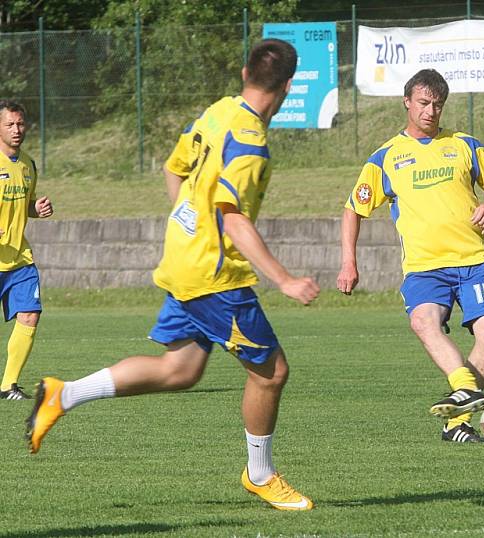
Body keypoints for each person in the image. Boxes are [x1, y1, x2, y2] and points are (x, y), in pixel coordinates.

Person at [25, 39, 320, 510]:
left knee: (179, 369)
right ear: (287, 85)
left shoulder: (216, 112)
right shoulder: (250, 145)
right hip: (215, 277)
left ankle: (64, 394)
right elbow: (234, 218)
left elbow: (173, 167)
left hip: (183, 260)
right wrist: (284, 279)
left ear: (245, 71)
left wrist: (186, 221)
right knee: (271, 373)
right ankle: (261, 474)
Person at [337, 69, 484, 443]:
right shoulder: (386, 157)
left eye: (437, 104)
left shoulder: (465, 145)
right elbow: (354, 208)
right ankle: (465, 389)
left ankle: (456, 420)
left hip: (473, 261)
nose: (431, 111)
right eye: (423, 103)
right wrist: (349, 262)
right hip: (424, 267)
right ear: (407, 102)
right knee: (423, 322)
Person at [0, 100, 53, 401]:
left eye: (20, 124)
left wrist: (37, 208)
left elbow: (24, 205)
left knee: (30, 315)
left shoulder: (28, 164)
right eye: (10, 124)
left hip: (19, 259)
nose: (17, 130)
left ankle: (9, 385)